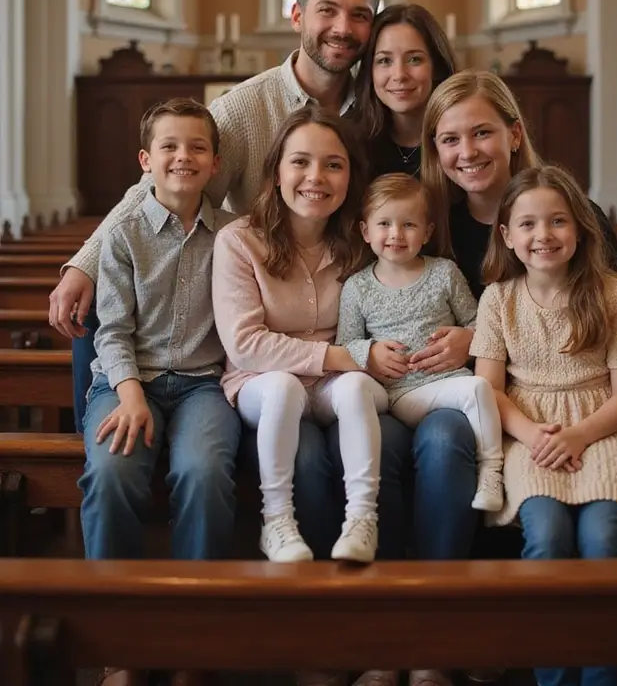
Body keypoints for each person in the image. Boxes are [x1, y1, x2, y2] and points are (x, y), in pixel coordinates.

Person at [49, 0, 381, 429]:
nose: (343, 28)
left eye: (359, 15)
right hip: (259, 313)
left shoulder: (377, 108)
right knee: (101, 304)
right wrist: (85, 263)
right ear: (297, 16)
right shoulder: (244, 108)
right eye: (327, 10)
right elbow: (158, 189)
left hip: (338, 301)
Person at [470, 164, 617, 686]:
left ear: (580, 230)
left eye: (558, 221)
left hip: (607, 428)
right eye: (528, 224)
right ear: (507, 236)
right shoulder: (498, 300)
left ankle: (603, 677)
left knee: (603, 538)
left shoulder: (612, 294)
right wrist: (531, 433)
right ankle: (555, 677)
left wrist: (580, 434)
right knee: (546, 537)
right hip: (530, 432)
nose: (544, 234)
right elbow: (489, 389)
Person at [78, 100, 242, 684]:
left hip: (203, 385)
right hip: (127, 381)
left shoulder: (234, 234)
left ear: (215, 163)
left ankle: (194, 639)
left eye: (197, 147)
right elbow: (111, 331)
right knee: (112, 472)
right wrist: (129, 395)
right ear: (146, 160)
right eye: (169, 146)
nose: (183, 157)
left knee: (204, 472)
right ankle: (119, 645)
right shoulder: (121, 234)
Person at [420, 70, 617, 432]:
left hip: (586, 378)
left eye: (482, 133)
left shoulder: (577, 215)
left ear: (515, 135)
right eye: (450, 139)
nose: (468, 151)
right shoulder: (433, 230)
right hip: (491, 386)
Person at [213, 107, 387, 564]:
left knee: (355, 386)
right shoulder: (239, 241)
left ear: (350, 177)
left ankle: (362, 520)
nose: (316, 177)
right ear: (276, 172)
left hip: (333, 386)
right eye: (300, 162)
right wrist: (340, 356)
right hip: (260, 383)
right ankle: (276, 521)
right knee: (285, 387)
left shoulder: (362, 241)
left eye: (334, 164)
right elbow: (245, 345)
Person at [337, 173, 503, 512]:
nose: (396, 234)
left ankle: (492, 472)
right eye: (384, 224)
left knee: (480, 387)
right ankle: (490, 467)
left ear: (427, 232)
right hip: (403, 393)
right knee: (477, 390)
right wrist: (370, 352)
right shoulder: (357, 287)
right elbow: (346, 345)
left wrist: (467, 338)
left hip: (452, 381)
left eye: (409, 225)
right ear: (365, 231)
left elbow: (478, 323)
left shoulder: (444, 272)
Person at [355, 4, 456, 178]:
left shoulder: (461, 143)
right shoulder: (353, 143)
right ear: (370, 71)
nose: (399, 75)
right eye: (385, 61)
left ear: (437, 66)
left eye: (414, 59)